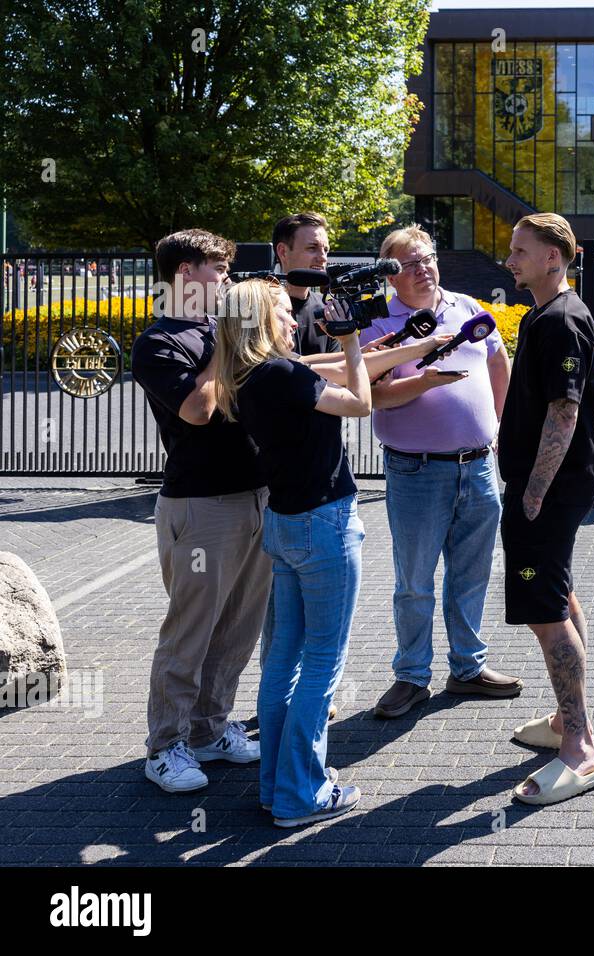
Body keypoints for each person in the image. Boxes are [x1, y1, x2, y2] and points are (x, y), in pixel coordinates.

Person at [212, 278, 460, 826]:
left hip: (284, 523)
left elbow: (324, 370)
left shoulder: (251, 376)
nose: (291, 320)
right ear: (258, 322)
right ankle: (302, 794)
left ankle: (278, 786)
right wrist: (352, 343)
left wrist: (383, 347)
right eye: (281, 313)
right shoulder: (283, 373)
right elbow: (360, 403)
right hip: (323, 524)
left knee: (284, 661)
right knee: (322, 663)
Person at [359, 225, 521, 719]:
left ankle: (467, 668)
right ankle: (411, 676)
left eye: (427, 258)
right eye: (408, 263)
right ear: (390, 274)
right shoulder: (378, 324)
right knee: (414, 581)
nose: (423, 268)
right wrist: (426, 381)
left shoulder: (469, 308)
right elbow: (371, 394)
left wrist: (496, 425)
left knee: (471, 576)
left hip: (477, 468)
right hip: (416, 470)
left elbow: (499, 362)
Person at [131, 229, 268, 793]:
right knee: (191, 632)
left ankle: (210, 732)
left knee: (238, 630)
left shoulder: (221, 331)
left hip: (256, 498)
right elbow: (197, 409)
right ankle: (165, 747)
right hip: (200, 506)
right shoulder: (160, 343)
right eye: (220, 270)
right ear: (186, 274)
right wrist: (224, 342)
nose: (229, 281)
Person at [498, 213, 594, 805]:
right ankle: (569, 721)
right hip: (548, 485)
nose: (510, 260)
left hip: (549, 490)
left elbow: (564, 413)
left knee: (544, 610)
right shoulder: (546, 313)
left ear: (553, 258)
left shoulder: (562, 319)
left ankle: (581, 748)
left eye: (520, 251)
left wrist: (534, 490)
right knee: (558, 593)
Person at [272, 211, 339, 357]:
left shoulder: (326, 310)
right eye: (312, 248)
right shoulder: (259, 307)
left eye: (325, 250)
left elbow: (338, 368)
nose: (323, 258)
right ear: (283, 252)